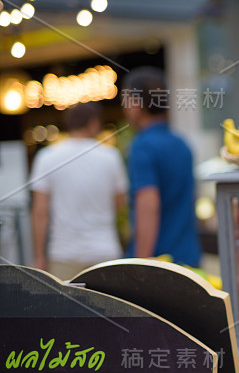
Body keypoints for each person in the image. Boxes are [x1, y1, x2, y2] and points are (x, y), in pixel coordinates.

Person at [30, 102, 127, 279]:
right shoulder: (111, 157)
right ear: (94, 122)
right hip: (104, 251)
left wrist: (39, 256)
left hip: (63, 252)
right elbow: (121, 205)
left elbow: (40, 211)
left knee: (64, 307)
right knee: (107, 306)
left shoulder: (46, 157)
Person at [122, 67, 201, 267]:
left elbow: (148, 205)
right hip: (188, 257)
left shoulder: (142, 146)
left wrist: (140, 264)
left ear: (138, 104)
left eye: (127, 98)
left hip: (160, 264)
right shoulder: (182, 144)